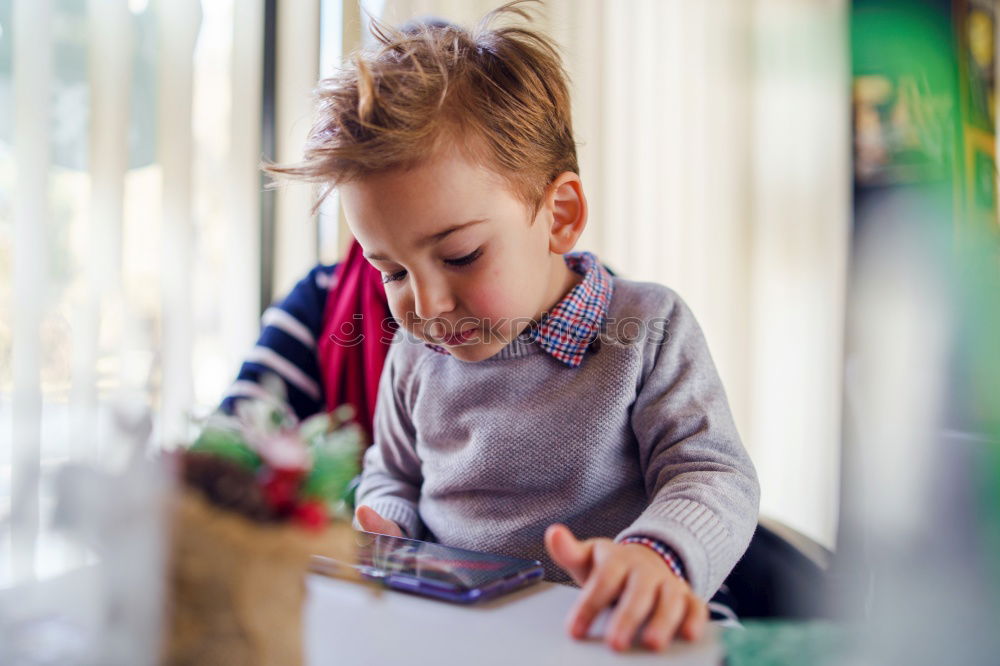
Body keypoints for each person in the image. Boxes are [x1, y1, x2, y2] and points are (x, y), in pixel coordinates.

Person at [260, 1, 759, 653]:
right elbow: (394, 473)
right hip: (471, 636)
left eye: (461, 255)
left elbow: (713, 475)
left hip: (625, 626)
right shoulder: (414, 357)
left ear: (560, 216)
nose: (427, 304)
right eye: (393, 272)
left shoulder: (647, 328)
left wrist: (656, 558)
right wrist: (383, 520)